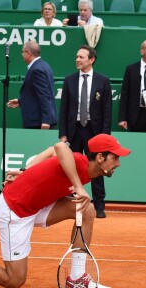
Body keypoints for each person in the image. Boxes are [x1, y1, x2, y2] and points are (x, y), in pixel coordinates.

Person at [0, 134, 131, 288]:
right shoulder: (79, 161)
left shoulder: (90, 171)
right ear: (100, 158)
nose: (118, 164)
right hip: (14, 210)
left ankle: (77, 279)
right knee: (14, 279)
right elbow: (59, 146)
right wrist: (78, 187)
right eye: (115, 158)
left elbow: (50, 151)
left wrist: (26, 170)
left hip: (36, 206)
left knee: (86, 210)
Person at [59, 45, 112, 219]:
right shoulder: (69, 80)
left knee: (97, 168)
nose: (78, 60)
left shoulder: (102, 80)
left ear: (91, 59)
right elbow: (64, 108)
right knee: (70, 168)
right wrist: (63, 134)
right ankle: (69, 203)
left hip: (94, 132)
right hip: (74, 131)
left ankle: (99, 205)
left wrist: (104, 136)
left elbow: (107, 110)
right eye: (77, 56)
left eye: (81, 57)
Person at [7, 41, 57, 129]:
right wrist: (20, 101)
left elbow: (44, 96)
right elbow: (35, 93)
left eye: (22, 52)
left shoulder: (36, 69)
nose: (22, 54)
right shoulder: (43, 65)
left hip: (38, 122)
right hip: (38, 121)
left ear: (28, 53)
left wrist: (46, 120)